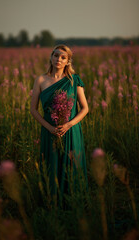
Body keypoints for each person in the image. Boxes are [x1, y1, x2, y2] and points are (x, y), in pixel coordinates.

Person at [30, 44, 89, 207]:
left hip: (70, 130)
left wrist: (69, 125)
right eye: (56, 55)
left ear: (68, 61)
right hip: (49, 131)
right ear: (51, 57)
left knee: (72, 165)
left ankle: (74, 204)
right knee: (52, 164)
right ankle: (52, 203)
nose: (58, 59)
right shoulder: (41, 80)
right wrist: (48, 128)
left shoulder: (73, 80)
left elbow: (85, 108)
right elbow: (33, 110)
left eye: (63, 57)